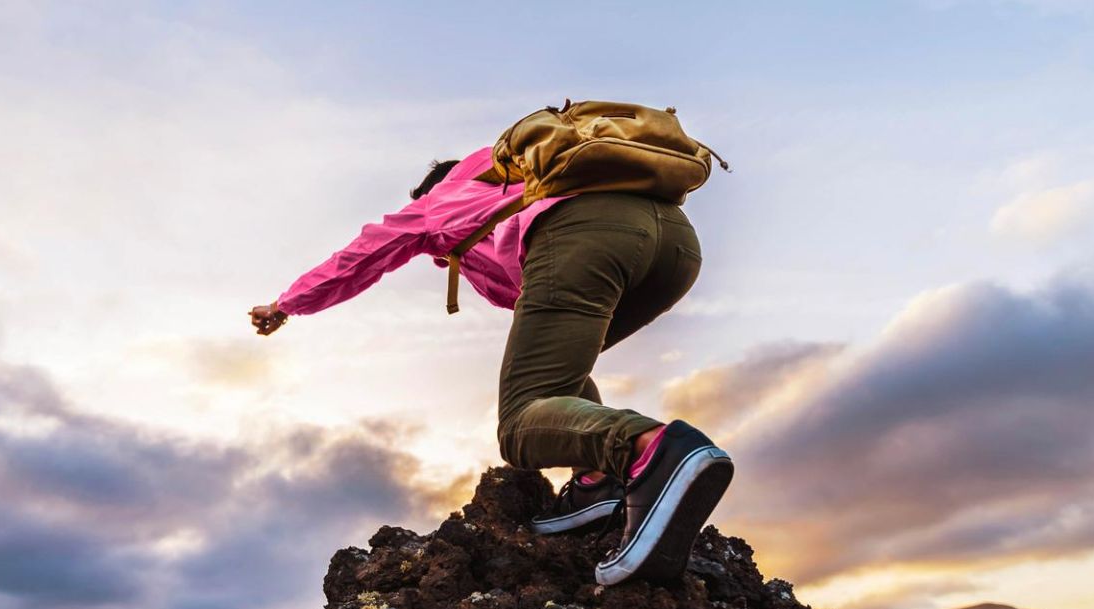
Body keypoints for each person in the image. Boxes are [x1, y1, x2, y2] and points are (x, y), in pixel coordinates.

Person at [249, 146, 734, 586]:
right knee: (556, 372)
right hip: (674, 247)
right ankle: (595, 485)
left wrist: (287, 304)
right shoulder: (521, 172)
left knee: (522, 418)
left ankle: (653, 449)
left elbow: (360, 257)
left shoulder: (438, 201)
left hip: (584, 234)